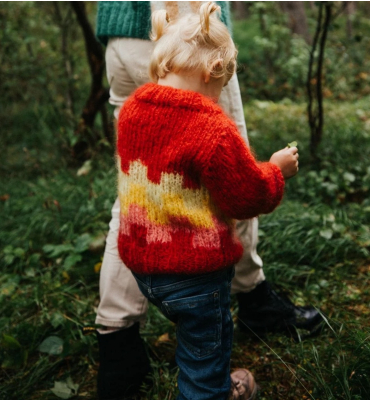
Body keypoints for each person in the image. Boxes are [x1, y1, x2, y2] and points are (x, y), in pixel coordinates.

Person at [94, 2, 321, 399]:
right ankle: (211, 385)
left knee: (137, 188)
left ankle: (117, 345)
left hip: (146, 268)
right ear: (213, 74)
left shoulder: (132, 111)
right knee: (204, 354)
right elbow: (244, 195)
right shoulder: (213, 128)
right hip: (197, 277)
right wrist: (275, 170)